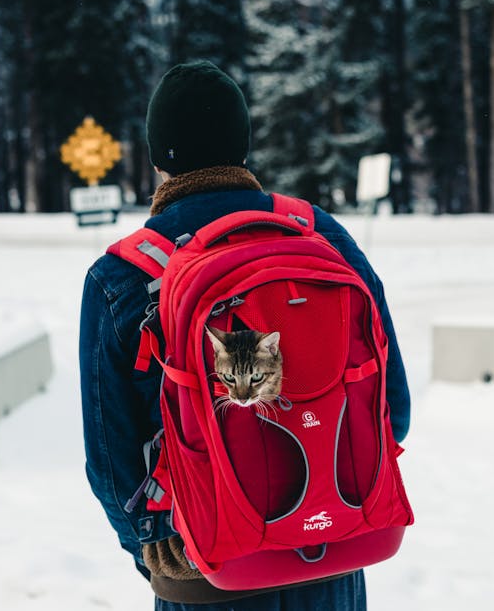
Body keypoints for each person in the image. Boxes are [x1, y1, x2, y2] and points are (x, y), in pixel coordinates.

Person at [79, 61, 410, 610]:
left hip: (205, 566)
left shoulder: (123, 275)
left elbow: (110, 462)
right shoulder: (319, 234)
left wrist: (152, 549)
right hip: (328, 555)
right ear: (243, 147)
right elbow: (389, 406)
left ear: (159, 157)